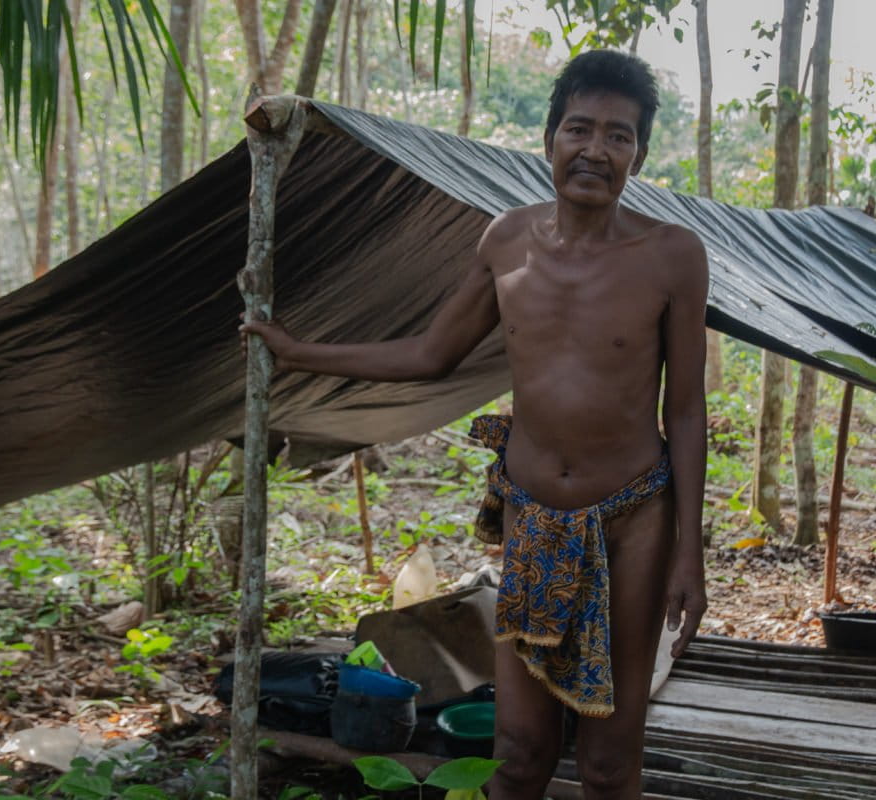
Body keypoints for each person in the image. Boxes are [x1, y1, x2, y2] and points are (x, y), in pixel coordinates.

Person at [241, 49, 708, 799]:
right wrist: (299, 352)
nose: (595, 150)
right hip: (531, 518)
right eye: (579, 129)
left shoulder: (672, 257)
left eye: (618, 136)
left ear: (639, 155)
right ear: (550, 138)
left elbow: (685, 410)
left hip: (634, 522)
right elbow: (431, 352)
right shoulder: (507, 241)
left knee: (609, 761)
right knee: (520, 752)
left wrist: (691, 554)